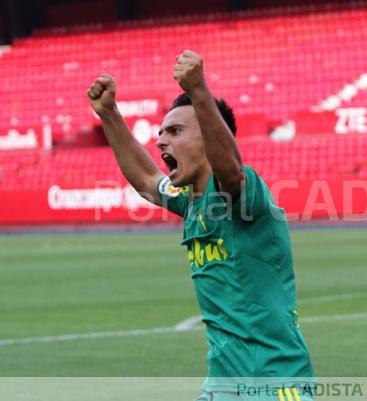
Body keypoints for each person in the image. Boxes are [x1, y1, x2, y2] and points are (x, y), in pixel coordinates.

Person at [87, 50, 313, 400]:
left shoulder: (242, 195)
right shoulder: (191, 201)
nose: (161, 140)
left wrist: (199, 90)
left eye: (175, 131)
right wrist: (110, 115)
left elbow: (231, 172)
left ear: (208, 137)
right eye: (161, 132)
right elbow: (148, 181)